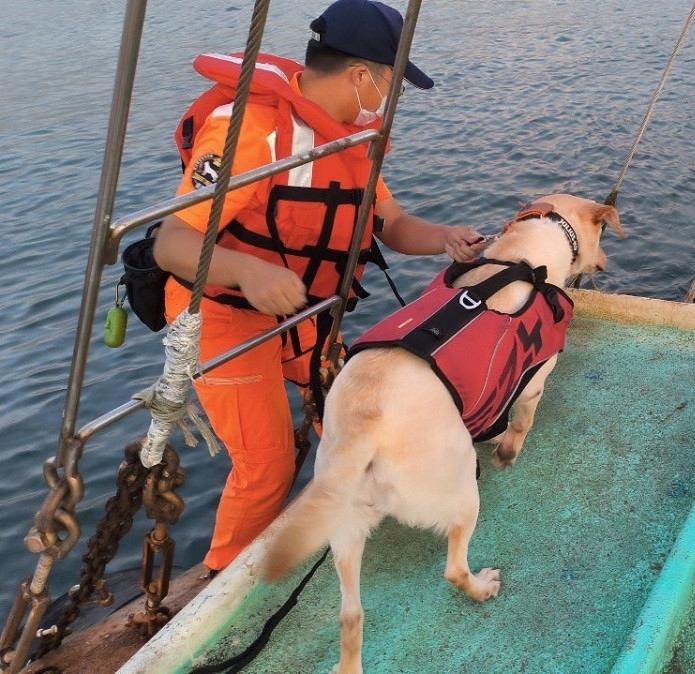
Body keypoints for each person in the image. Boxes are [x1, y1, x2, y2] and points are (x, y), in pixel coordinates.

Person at [153, 0, 486, 574]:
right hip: (223, 309)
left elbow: (392, 223)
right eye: (392, 84)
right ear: (362, 76)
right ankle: (224, 584)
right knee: (266, 465)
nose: (391, 100)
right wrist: (249, 272)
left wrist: (445, 239)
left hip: (302, 308)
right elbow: (170, 244)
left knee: (345, 416)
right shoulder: (247, 130)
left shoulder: (349, 138)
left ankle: (341, 521)